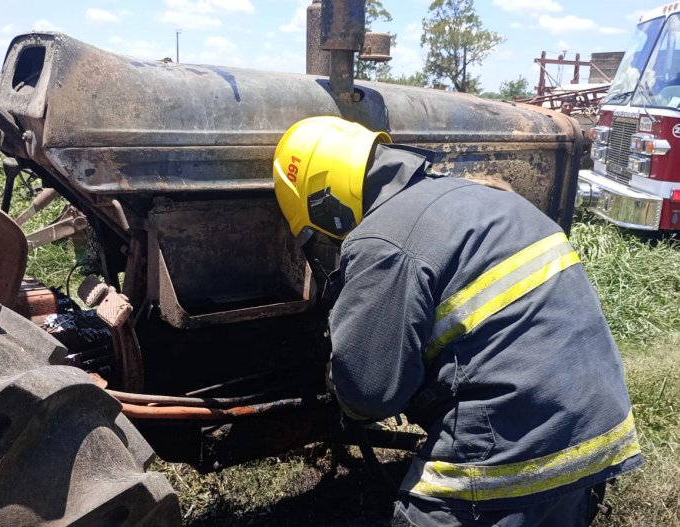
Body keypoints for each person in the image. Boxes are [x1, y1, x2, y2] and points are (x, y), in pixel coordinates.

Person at [272, 116, 643, 526]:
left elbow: (369, 394)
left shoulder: (383, 238)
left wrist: (336, 373)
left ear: (324, 203)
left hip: (513, 452)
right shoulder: (488, 200)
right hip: (597, 434)